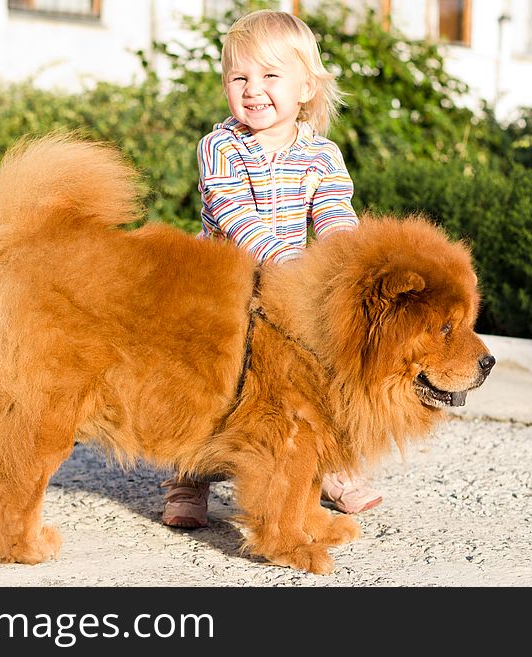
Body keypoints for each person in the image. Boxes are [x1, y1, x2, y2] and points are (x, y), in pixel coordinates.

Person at [161, 9, 383, 529]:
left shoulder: (323, 156)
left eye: (269, 75)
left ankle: (328, 464)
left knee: (313, 373)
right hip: (224, 287)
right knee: (208, 381)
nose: (253, 89)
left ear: (306, 86)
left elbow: (334, 218)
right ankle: (188, 475)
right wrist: (288, 269)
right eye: (239, 77)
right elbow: (234, 213)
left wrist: (341, 270)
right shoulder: (219, 147)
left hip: (290, 289)